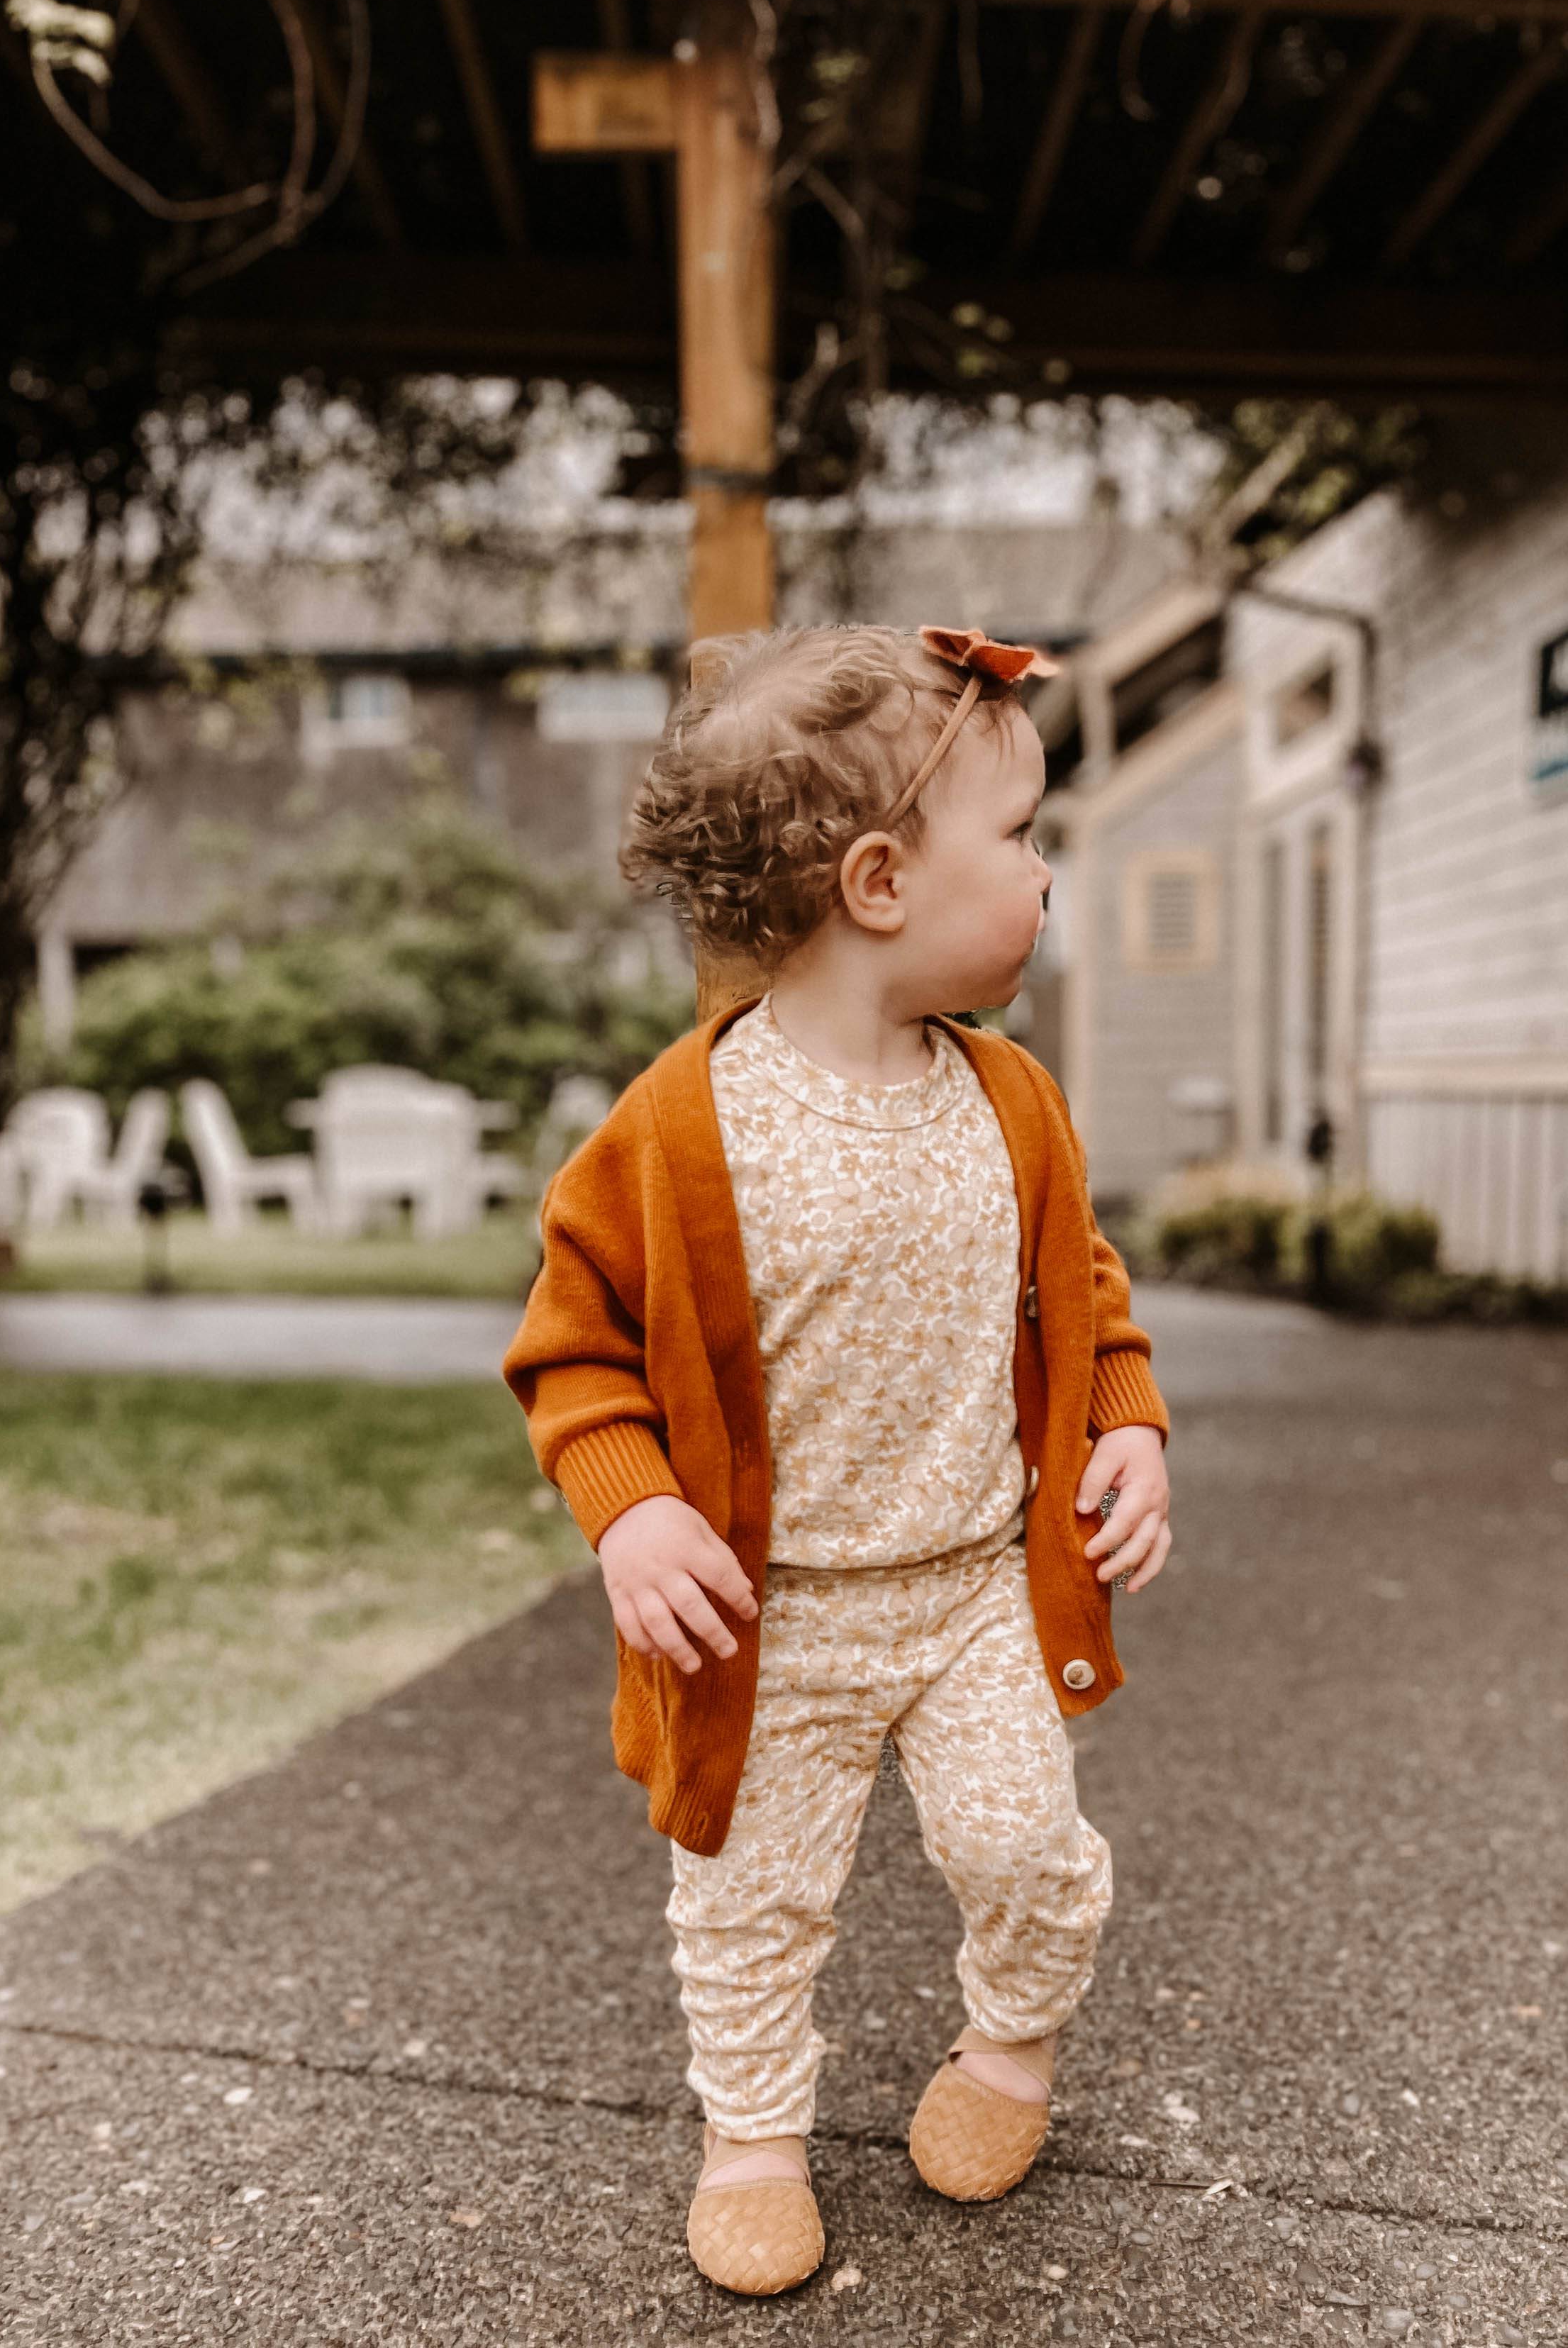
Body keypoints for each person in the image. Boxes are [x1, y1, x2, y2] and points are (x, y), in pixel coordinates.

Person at [504, 623, 1172, 2296]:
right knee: (747, 1898)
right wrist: (633, 1508)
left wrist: (1130, 1431)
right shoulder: (675, 1134)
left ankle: (1011, 2050)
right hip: (769, 1621)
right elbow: (573, 1346)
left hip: (969, 1595)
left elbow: (1086, 1297)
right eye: (1019, 841)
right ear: (879, 880)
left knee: (1026, 1850)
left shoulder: (1013, 1102)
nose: (1042, 878)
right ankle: (751, 2137)